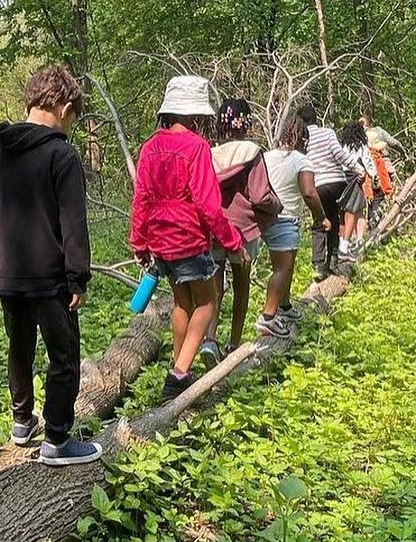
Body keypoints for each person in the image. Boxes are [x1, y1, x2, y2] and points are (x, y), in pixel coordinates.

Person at [0, 66, 100, 466]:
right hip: (50, 279)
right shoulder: (62, 155)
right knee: (64, 356)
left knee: (19, 348)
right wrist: (78, 276)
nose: (71, 125)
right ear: (62, 107)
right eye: (72, 116)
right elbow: (72, 223)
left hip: (8, 276)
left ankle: (22, 422)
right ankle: (57, 439)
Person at [130, 76, 247, 401]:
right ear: (195, 115)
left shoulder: (150, 147)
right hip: (188, 239)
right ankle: (180, 373)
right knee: (208, 303)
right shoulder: (196, 147)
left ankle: (179, 366)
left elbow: (140, 199)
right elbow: (209, 205)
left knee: (183, 302)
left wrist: (139, 242)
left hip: (161, 241)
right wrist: (232, 241)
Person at [208, 98, 282, 356]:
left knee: (214, 287)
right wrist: (277, 206)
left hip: (214, 228)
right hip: (244, 230)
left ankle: (209, 339)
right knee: (241, 286)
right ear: (246, 123)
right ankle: (234, 343)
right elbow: (260, 196)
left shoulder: (210, 154)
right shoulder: (252, 152)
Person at [261, 116, 331, 332]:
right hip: (286, 217)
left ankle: (284, 305)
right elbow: (309, 193)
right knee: (283, 269)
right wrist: (322, 217)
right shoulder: (302, 160)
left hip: (264, 217)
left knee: (284, 267)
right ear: (303, 138)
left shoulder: (266, 156)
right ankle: (268, 317)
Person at [297, 101, 363, 279]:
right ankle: (332, 260)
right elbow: (339, 154)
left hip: (316, 185)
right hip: (336, 183)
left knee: (319, 222)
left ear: (300, 121)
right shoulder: (327, 133)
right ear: (316, 118)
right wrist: (358, 169)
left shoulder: (301, 138)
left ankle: (318, 265)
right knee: (334, 219)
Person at [337, 120, 376, 250]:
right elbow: (369, 163)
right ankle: (352, 241)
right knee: (355, 210)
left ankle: (341, 239)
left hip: (341, 179)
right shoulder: (361, 146)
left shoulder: (341, 146)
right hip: (356, 180)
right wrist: (374, 176)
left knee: (342, 212)